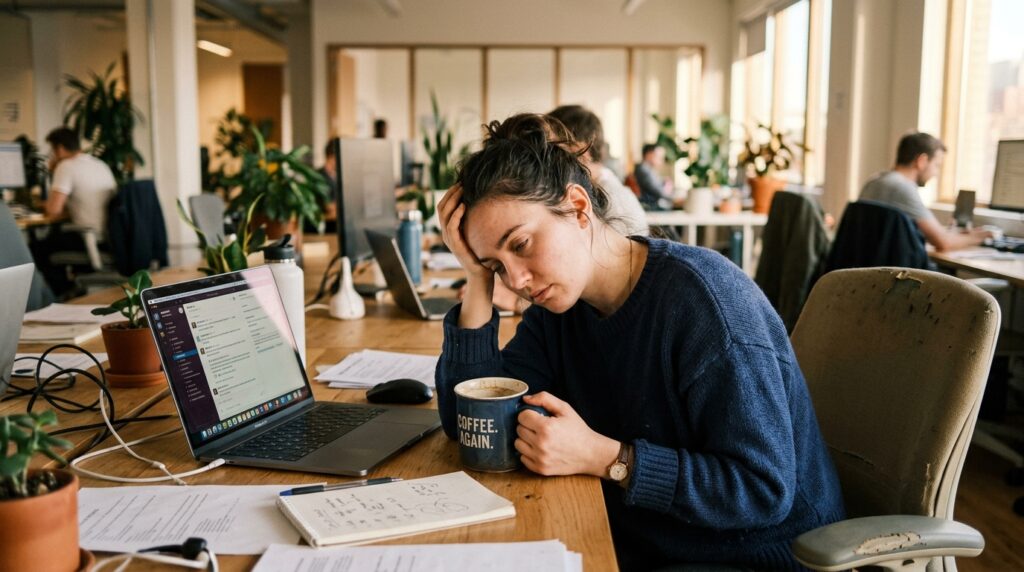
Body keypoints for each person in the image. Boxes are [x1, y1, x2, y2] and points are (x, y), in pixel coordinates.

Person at [435, 114, 845, 571]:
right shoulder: (559, 310)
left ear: (577, 207)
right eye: (497, 265)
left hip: (753, 556)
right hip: (639, 540)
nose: (518, 280)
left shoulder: (705, 304)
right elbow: (470, 426)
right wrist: (476, 279)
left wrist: (606, 457)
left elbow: (760, 491)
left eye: (522, 244)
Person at [859, 132, 991, 251]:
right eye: (936, 166)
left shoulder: (874, 181)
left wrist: (955, 235)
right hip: (895, 274)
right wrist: (979, 237)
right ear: (922, 161)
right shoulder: (902, 188)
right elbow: (943, 242)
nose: (936, 173)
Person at [32, 127, 118, 296]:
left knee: (36, 248)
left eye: (52, 150)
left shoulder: (66, 166)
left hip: (89, 238)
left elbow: (53, 211)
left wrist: (53, 171)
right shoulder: (99, 164)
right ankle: (68, 290)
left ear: (60, 149)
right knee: (51, 241)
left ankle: (59, 295)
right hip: (110, 238)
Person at [633, 143, 676, 211]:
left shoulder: (648, 169)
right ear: (649, 154)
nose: (661, 161)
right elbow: (659, 192)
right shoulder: (643, 169)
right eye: (659, 157)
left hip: (652, 205)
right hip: (650, 207)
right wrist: (675, 198)